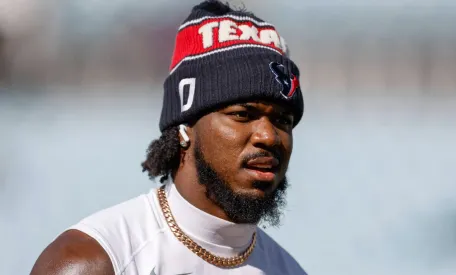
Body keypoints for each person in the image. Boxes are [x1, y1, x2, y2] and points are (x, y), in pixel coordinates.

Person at [31, 1, 306, 274]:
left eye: (283, 120)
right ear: (185, 127)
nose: (268, 136)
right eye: (242, 115)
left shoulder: (289, 270)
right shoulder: (95, 261)